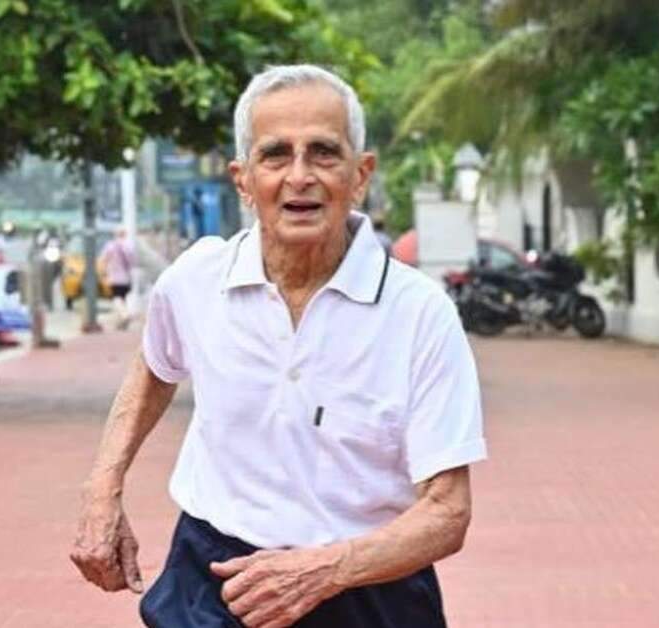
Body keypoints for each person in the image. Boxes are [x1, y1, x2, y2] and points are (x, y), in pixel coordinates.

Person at [71, 64, 486, 628]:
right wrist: (103, 487)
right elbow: (154, 367)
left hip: (368, 589)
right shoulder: (197, 280)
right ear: (243, 180)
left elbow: (448, 512)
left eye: (324, 153)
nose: (300, 176)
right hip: (214, 582)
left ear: (360, 175)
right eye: (275, 155)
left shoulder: (419, 313)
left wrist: (324, 571)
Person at [97, 226, 136, 330]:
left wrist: (103, 272)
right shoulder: (129, 246)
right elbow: (133, 262)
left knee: (116, 298)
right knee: (123, 298)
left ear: (115, 234)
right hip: (126, 278)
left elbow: (103, 259)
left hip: (115, 277)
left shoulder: (110, 246)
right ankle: (121, 321)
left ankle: (125, 315)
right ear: (125, 234)